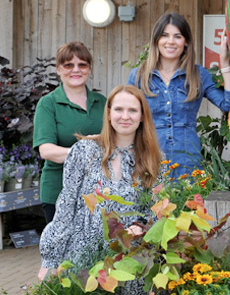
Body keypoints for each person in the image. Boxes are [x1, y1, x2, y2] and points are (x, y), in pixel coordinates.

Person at [38, 85, 162, 281]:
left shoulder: (152, 159)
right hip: (84, 255)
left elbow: (155, 209)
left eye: (132, 110)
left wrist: (142, 227)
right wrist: (50, 259)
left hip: (130, 257)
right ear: (109, 113)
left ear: (142, 117)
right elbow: (66, 205)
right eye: (119, 109)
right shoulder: (84, 151)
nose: (125, 116)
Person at [128, 12, 230, 178]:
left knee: (188, 203)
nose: (170, 41)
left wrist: (224, 63)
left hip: (188, 161)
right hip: (149, 157)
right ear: (156, 40)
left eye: (177, 36)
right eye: (165, 35)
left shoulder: (198, 74)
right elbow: (126, 117)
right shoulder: (139, 75)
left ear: (185, 42)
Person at [33, 42, 106, 224]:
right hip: (59, 191)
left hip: (99, 191)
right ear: (58, 69)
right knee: (63, 252)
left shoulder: (103, 102)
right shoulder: (48, 104)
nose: (76, 70)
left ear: (89, 69)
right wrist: (85, 148)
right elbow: (47, 151)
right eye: (68, 65)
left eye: (82, 64)